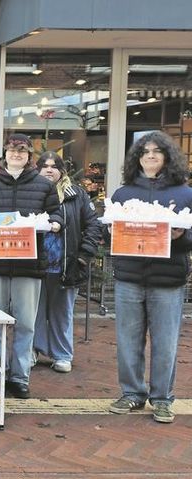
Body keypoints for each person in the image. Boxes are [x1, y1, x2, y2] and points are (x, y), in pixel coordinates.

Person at [0, 134, 62, 399]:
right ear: (4, 154)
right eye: (12, 150)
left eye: (22, 151)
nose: (16, 154)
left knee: (26, 324)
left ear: (29, 155)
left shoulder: (43, 185)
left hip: (29, 265)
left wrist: (56, 223)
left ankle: (20, 377)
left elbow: (55, 213)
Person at [107, 131, 192, 424]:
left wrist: (181, 237)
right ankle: (132, 393)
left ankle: (162, 398)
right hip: (129, 278)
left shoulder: (185, 194)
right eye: (145, 152)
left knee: (165, 343)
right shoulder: (123, 194)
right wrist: (111, 231)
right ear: (138, 158)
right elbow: (110, 233)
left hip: (168, 281)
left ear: (167, 157)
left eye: (157, 151)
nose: (151, 156)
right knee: (127, 341)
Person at [32, 151, 101, 374]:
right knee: (34, 313)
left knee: (62, 313)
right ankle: (34, 350)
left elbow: (93, 225)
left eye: (54, 166)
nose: (49, 169)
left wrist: (83, 256)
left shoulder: (76, 195)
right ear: (38, 169)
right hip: (35, 265)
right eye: (45, 166)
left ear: (61, 171)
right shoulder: (30, 193)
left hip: (66, 264)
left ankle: (62, 355)